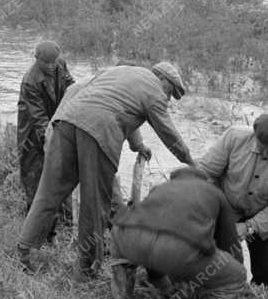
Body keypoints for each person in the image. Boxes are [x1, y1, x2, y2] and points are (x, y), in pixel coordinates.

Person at [17, 62, 195, 281]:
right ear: (163, 80)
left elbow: (114, 104)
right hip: (98, 132)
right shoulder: (155, 91)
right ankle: (86, 269)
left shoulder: (121, 72)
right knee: (94, 205)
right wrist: (192, 163)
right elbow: (169, 135)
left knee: (48, 193)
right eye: (170, 92)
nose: (167, 99)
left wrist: (136, 144)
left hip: (66, 121)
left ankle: (24, 252)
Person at [109, 165, 247, 299]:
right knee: (236, 276)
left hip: (124, 236)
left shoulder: (160, 189)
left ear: (174, 178)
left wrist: (161, 281)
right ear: (204, 181)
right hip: (177, 248)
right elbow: (230, 247)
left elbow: (152, 231)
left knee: (132, 253)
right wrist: (232, 281)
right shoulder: (214, 193)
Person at [197, 113, 268, 296]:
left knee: (267, 265)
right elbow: (206, 173)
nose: (265, 154)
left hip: (262, 214)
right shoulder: (234, 137)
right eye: (261, 148)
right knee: (210, 253)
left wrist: (249, 227)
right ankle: (220, 288)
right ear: (254, 136)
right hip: (225, 204)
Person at [17, 40, 75, 223]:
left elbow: (71, 86)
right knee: (34, 174)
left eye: (53, 62)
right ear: (37, 59)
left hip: (55, 121)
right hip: (32, 133)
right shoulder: (30, 81)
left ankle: (65, 216)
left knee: (62, 171)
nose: (51, 66)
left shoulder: (60, 64)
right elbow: (39, 118)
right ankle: (35, 220)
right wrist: (53, 140)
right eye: (46, 63)